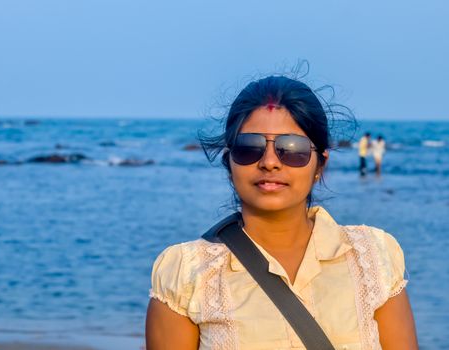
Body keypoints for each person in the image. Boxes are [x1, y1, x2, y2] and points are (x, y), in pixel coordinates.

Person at [145, 76, 418, 349]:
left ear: (320, 165)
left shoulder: (374, 258)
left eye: (292, 149)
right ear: (229, 162)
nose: (270, 162)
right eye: (250, 148)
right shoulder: (185, 273)